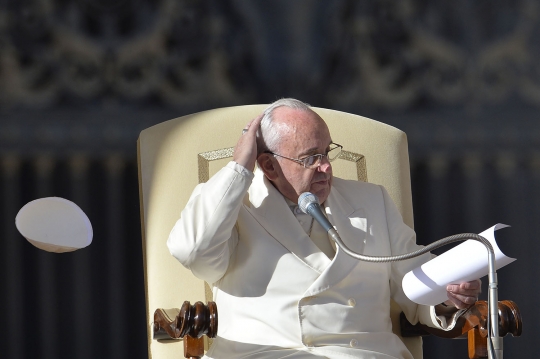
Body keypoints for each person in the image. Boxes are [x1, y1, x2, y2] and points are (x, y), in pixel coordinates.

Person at [167, 98, 481, 359]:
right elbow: (191, 250)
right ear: (268, 165)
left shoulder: (372, 201)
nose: (326, 166)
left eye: (327, 152)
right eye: (311, 158)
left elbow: (415, 285)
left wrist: (447, 295)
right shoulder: (234, 208)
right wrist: (239, 169)